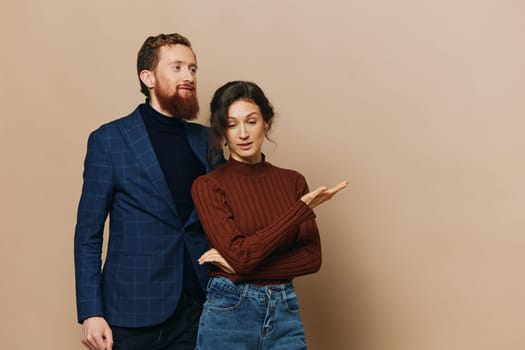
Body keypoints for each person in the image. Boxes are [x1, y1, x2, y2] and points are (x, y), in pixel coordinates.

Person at [74, 33, 220, 350]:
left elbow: (230, 211)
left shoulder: (207, 140)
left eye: (193, 69)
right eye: (177, 67)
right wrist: (91, 312)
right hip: (131, 311)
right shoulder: (110, 140)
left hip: (198, 307)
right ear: (148, 77)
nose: (189, 76)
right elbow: (88, 233)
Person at [191, 80, 349, 349]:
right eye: (232, 125)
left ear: (266, 122)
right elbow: (240, 256)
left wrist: (240, 271)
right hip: (229, 312)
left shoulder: (293, 182)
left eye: (251, 121)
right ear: (222, 132)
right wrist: (300, 210)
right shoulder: (209, 186)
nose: (242, 134)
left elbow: (312, 258)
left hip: (283, 307)